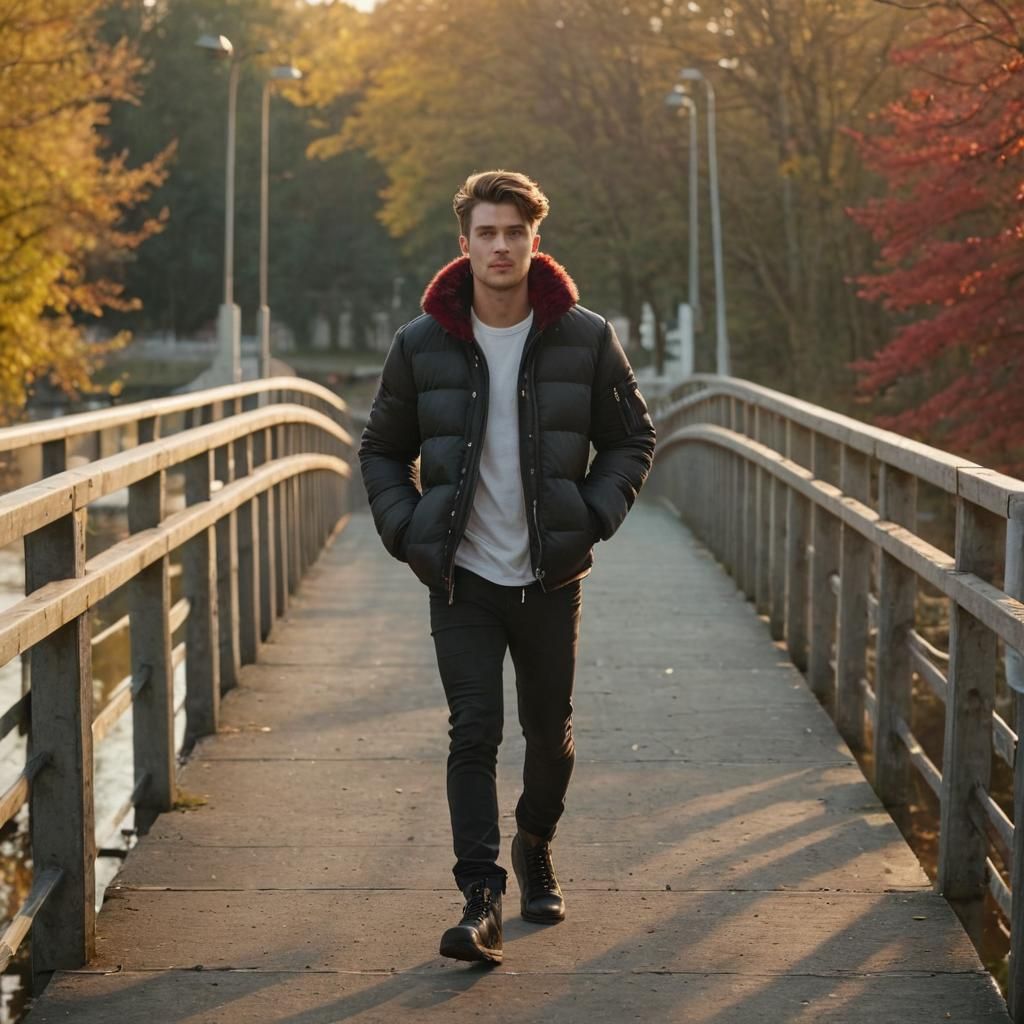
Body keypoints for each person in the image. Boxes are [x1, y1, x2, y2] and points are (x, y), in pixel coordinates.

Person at [359, 169, 656, 965]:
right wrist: (405, 528)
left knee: (548, 733)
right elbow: (381, 450)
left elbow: (634, 437)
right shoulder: (420, 344)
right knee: (473, 731)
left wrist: (591, 516)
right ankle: (481, 897)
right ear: (465, 245)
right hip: (462, 576)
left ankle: (534, 841)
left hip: (550, 576)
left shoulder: (585, 337)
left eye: (512, 232)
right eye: (485, 233)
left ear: (534, 240)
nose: (499, 246)